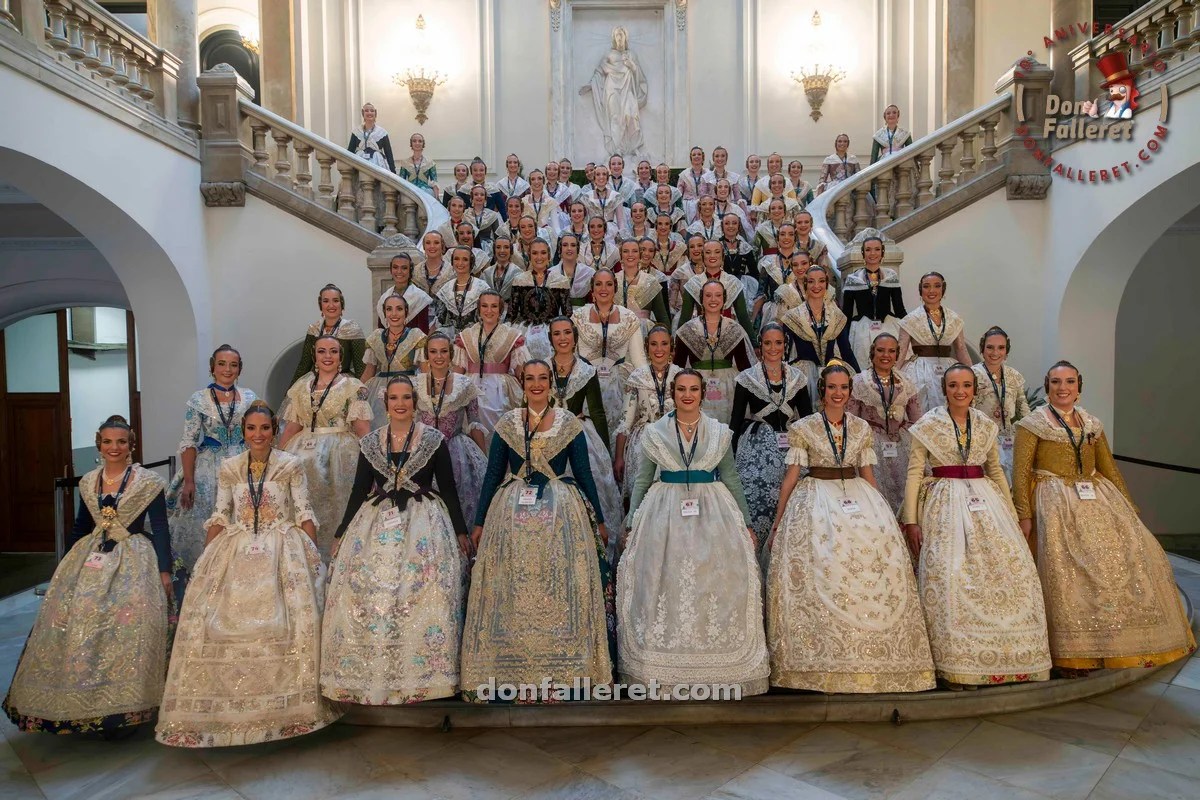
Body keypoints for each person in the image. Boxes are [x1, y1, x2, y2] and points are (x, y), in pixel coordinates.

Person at [156, 401, 339, 746]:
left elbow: (303, 511)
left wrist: (315, 558)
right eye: (251, 429)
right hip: (236, 548)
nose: (258, 435)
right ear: (243, 432)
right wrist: (205, 560)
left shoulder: (291, 464)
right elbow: (221, 514)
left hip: (283, 547)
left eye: (265, 429)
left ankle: (289, 710)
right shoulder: (230, 467)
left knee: (288, 619)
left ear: (273, 430)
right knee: (219, 619)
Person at [1014, 362, 1195, 674]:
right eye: (1056, 381)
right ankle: (1073, 651)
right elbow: (1020, 472)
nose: (1063, 387)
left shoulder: (1092, 424)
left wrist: (1129, 507)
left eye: (1069, 381)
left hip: (1096, 497)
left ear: (1079, 387)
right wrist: (1024, 514)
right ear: (1047, 387)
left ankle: (1112, 642)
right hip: (1054, 500)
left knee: (1119, 563)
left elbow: (1108, 466)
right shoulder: (1032, 424)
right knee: (1066, 574)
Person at [765, 363, 935, 693]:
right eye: (832, 388)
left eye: (844, 387)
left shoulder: (860, 428)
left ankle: (873, 654)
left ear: (849, 391)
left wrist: (882, 512)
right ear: (822, 391)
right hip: (816, 498)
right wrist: (778, 522)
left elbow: (868, 475)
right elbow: (790, 480)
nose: (839, 393)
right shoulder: (803, 428)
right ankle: (822, 656)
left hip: (858, 497)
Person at [5, 416, 178, 736]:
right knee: (76, 618)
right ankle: (76, 698)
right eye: (109, 442)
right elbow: (80, 527)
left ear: (131, 444)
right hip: (91, 557)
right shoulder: (88, 482)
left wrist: (164, 569)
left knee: (126, 620)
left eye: (121, 442)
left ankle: (124, 706)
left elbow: (161, 528)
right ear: (99, 443)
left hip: (133, 557)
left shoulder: (147, 483)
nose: (115, 448)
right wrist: (64, 570)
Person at [460, 361, 614, 700]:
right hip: (511, 514)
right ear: (522, 384)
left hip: (561, 514)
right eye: (530, 379)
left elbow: (585, 474)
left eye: (542, 379)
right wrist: (481, 521)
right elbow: (492, 475)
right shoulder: (507, 424)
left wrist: (599, 520)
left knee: (558, 583)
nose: (536, 385)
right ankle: (510, 669)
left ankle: (563, 668)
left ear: (550, 384)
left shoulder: (568, 423)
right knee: (514, 584)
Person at [619, 369, 769, 695]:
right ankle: (663, 665)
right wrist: (631, 522)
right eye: (682, 389)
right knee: (668, 582)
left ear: (703, 393)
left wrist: (745, 522)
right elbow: (643, 480)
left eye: (694, 389)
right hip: (664, 514)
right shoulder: (655, 431)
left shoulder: (718, 432)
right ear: (673, 393)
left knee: (711, 581)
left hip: (714, 514)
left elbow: (730, 477)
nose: (688, 395)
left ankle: (716, 663)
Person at [902, 364, 1052, 688]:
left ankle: (1013, 655)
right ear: (945, 389)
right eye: (954, 385)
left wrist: (1012, 516)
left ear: (974, 390)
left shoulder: (985, 425)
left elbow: (996, 471)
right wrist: (910, 520)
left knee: (1012, 570)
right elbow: (914, 472)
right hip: (944, 500)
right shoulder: (927, 425)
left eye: (966, 385)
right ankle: (958, 660)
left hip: (986, 500)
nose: (960, 391)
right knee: (948, 572)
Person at [321, 378, 470, 705]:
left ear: (414, 402)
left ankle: (425, 676)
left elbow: (448, 489)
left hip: (424, 525)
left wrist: (460, 530)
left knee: (424, 591)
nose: (400, 403)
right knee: (374, 591)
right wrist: (341, 531)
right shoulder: (371, 442)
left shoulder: (434, 440)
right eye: (393, 398)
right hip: (377, 525)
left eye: (406, 397)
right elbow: (359, 490)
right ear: (385, 403)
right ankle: (373, 672)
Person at [279, 336, 373, 558]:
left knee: (338, 508)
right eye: (322, 351)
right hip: (302, 455)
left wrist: (374, 463)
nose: (327, 356)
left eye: (333, 351)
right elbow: (292, 427)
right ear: (315, 355)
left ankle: (339, 558)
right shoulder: (300, 387)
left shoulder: (353, 387)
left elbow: (362, 429)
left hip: (340, 457)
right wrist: (277, 460)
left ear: (341, 356)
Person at [165, 345, 256, 569]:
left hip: (242, 463)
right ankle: (205, 572)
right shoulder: (199, 399)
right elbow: (189, 441)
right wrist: (188, 480)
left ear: (239, 369)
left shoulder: (249, 397)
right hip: (208, 468)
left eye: (233, 365)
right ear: (212, 367)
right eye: (222, 364)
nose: (227, 369)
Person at [548, 317, 624, 557]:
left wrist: (607, 454)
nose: (563, 338)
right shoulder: (541, 369)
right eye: (557, 334)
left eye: (567, 333)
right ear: (551, 338)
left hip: (579, 433)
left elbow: (598, 412)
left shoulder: (586, 370)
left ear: (575, 337)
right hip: (546, 432)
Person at [731, 323, 811, 545]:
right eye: (767, 343)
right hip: (756, 450)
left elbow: (807, 420)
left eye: (778, 343)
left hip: (792, 451)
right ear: (760, 345)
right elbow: (735, 423)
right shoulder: (746, 379)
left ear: (785, 345)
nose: (773, 348)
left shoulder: (798, 378)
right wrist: (729, 460)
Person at [416, 333, 488, 524]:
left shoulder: (465, 384)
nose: (438, 356)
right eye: (433, 352)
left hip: (457, 451)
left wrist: (484, 460)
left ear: (451, 354)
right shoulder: (415, 384)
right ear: (427, 355)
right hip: (424, 449)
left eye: (443, 351)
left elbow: (474, 422)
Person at [847, 333, 921, 514]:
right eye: (880, 350)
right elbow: (851, 421)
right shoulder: (859, 381)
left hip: (902, 443)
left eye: (891, 351)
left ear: (897, 355)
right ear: (872, 353)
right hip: (871, 445)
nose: (885, 355)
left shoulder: (906, 382)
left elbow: (917, 419)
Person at [573, 270, 648, 442]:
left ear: (615, 287)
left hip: (620, 389)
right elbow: (572, 357)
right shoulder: (578, 317)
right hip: (587, 388)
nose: (603, 289)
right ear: (592, 289)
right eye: (598, 284)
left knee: (618, 440)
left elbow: (639, 360)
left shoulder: (629, 317)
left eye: (608, 284)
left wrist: (648, 398)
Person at [673, 279, 756, 424]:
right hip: (695, 388)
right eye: (708, 295)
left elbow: (744, 366)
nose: (713, 300)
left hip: (728, 390)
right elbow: (677, 367)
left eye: (718, 295)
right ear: (701, 299)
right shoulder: (687, 330)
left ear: (724, 299)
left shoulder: (734, 328)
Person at [614, 325, 679, 501]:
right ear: (646, 347)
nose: (659, 349)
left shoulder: (680, 376)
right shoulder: (637, 377)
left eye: (664, 344)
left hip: (675, 439)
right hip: (643, 443)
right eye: (654, 344)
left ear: (671, 347)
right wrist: (619, 457)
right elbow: (625, 421)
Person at [780, 266, 859, 401]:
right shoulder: (793, 316)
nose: (816, 286)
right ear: (805, 284)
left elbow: (846, 351)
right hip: (804, 376)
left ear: (826, 284)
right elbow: (785, 354)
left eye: (821, 281)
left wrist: (859, 377)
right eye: (811, 281)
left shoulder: (837, 316)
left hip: (832, 375)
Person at [898, 271, 972, 413]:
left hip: (949, 370)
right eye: (926, 286)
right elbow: (901, 351)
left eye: (937, 286)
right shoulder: (910, 319)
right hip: (920, 371)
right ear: (921, 290)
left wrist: (973, 374)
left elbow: (961, 349)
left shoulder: (954, 318)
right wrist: (892, 375)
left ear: (943, 289)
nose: (932, 291)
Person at [454, 290, 527, 433]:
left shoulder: (512, 336)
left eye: (494, 306)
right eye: (484, 306)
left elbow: (522, 373)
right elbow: (457, 374)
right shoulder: (466, 335)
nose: (489, 310)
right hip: (472, 388)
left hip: (501, 391)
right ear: (479, 309)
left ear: (500, 310)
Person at [970, 327, 1032, 483]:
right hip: (982, 437)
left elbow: (1023, 408)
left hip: (1010, 439)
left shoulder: (1014, 376)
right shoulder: (972, 375)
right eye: (990, 347)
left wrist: (1032, 433)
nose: (995, 352)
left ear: (1007, 351)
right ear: (982, 349)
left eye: (1001, 348)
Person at [579, 25, 648, 157]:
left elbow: (639, 75)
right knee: (615, 118)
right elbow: (599, 71)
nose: (619, 38)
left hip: (627, 88)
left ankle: (633, 146)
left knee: (632, 114)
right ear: (614, 38)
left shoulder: (631, 54)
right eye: (617, 35)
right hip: (612, 89)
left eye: (621, 35)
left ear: (625, 37)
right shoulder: (609, 54)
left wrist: (631, 65)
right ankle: (618, 149)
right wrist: (590, 85)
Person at [841, 235, 905, 368]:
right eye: (868, 249)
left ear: (882, 253)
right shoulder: (853, 279)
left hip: (888, 327)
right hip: (861, 330)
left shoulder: (891, 276)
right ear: (863, 253)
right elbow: (846, 313)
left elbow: (900, 309)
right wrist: (843, 340)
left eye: (876, 249)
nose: (873, 253)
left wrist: (913, 329)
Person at [362, 294, 426, 427]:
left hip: (408, 387)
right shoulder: (376, 337)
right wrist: (355, 393)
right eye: (389, 309)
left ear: (406, 311)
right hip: (379, 391)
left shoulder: (416, 335)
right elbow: (369, 372)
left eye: (399, 309)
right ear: (384, 313)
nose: (394, 313)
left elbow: (426, 371)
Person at [678, 240, 756, 339]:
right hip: (701, 335)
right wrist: (677, 342)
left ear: (723, 256)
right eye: (708, 252)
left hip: (728, 337)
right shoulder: (693, 284)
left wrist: (754, 343)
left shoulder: (733, 282)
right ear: (703, 257)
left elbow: (743, 317)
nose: (712, 255)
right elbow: (684, 318)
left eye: (717, 252)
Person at [290, 284, 366, 384]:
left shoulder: (353, 329)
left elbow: (361, 367)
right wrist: (290, 393)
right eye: (326, 301)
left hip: (342, 383)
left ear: (341, 304)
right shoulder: (314, 329)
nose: (331, 305)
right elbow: (304, 365)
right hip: (315, 382)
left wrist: (362, 393)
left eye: (335, 300)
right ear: (320, 305)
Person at [509, 237, 571, 359]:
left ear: (549, 256)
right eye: (535, 253)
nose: (539, 257)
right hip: (525, 332)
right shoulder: (519, 280)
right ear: (529, 256)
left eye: (543, 253)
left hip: (551, 332)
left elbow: (567, 313)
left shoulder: (560, 280)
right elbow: (512, 313)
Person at [613, 238, 670, 331]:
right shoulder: (612, 280)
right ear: (621, 255)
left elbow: (662, 316)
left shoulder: (651, 281)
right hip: (618, 331)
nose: (630, 255)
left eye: (634, 251)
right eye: (626, 251)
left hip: (644, 332)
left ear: (640, 254)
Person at [435, 246, 490, 337]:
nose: (460, 263)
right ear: (452, 262)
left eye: (465, 259)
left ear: (471, 262)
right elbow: (441, 321)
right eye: (456, 259)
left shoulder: (482, 288)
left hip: (476, 339)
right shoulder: (445, 289)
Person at [376, 253, 434, 333]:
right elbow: (380, 331)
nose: (399, 271)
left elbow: (424, 332)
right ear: (391, 270)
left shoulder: (421, 298)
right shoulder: (384, 298)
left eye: (404, 268)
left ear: (410, 270)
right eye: (395, 267)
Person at [550, 232, 595, 308]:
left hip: (581, 315)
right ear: (560, 249)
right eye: (565, 245)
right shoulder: (550, 273)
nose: (569, 248)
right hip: (557, 317)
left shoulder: (589, 273)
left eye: (573, 245)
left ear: (578, 249)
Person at [347, 102, 395, 173]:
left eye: (372, 111)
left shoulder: (382, 132)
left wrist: (393, 172)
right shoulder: (356, 131)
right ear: (363, 114)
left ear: (375, 113)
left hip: (378, 164)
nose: (369, 113)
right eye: (366, 111)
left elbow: (389, 154)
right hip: (359, 164)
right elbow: (350, 151)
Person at [480, 235, 523, 302]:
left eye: (506, 247)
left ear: (511, 250)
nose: (502, 250)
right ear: (494, 250)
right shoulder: (486, 273)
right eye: (498, 247)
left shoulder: (518, 273)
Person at [396, 131, 437, 196]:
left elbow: (434, 182)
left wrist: (436, 198)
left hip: (426, 193)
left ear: (423, 144)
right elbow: (401, 181)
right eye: (414, 141)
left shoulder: (430, 163)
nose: (417, 143)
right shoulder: (405, 163)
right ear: (411, 143)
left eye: (420, 141)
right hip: (410, 192)